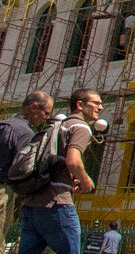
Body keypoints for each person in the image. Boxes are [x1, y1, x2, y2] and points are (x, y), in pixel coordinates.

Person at [19, 87, 102, 254]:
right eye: (96, 103)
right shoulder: (80, 127)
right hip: (56, 203)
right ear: (80, 105)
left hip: (31, 204)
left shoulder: (55, 127)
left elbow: (52, 162)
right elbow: (73, 161)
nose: (100, 108)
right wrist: (85, 180)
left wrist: (71, 178)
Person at [0, 92, 53, 246]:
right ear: (34, 108)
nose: (45, 118)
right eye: (46, 113)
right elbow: (24, 168)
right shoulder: (26, 133)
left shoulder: (4, 124)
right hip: (4, 189)